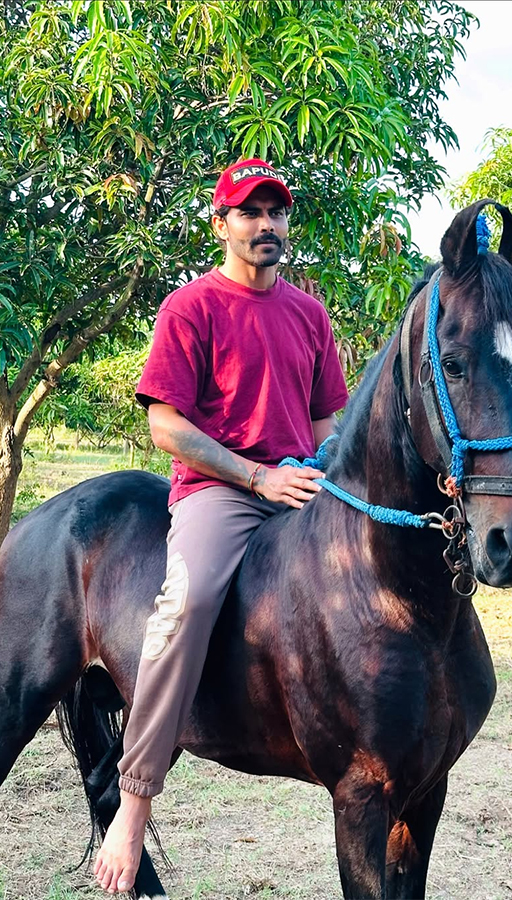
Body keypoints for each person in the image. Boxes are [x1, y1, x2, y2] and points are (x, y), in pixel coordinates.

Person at [93, 158, 349, 894]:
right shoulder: (191, 308)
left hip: (302, 482)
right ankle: (134, 804)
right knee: (190, 602)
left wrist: (325, 464)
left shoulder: (309, 314)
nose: (266, 224)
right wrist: (257, 475)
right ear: (221, 223)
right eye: (249, 212)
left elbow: (326, 418)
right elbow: (166, 426)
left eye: (276, 211)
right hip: (222, 490)